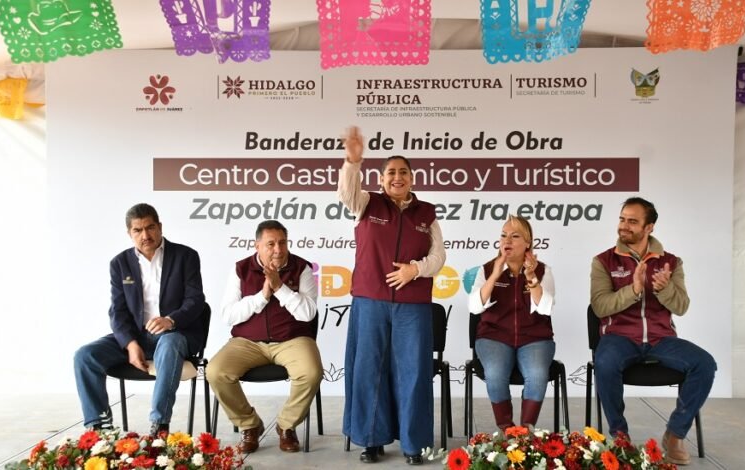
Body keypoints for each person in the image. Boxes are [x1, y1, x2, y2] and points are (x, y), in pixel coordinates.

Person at [339, 126, 446, 466]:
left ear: (411, 178)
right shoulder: (366, 203)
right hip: (370, 302)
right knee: (369, 371)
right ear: (382, 179)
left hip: (413, 307)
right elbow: (346, 193)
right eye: (391, 172)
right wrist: (353, 161)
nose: (397, 177)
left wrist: (415, 269)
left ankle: (414, 444)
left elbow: (438, 256)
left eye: (403, 172)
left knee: (413, 373)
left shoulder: (426, 213)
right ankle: (371, 441)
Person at [590, 197, 716, 466]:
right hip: (619, 338)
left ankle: (675, 434)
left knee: (705, 364)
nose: (624, 226)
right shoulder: (603, 261)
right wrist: (634, 290)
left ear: (649, 227)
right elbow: (600, 307)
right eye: (622, 219)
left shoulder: (671, 262)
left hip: (661, 339)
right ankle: (619, 436)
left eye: (632, 221)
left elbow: (681, 307)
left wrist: (664, 289)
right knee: (604, 362)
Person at [74, 203, 205, 436]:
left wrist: (170, 320)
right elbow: (118, 311)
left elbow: (195, 301)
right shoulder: (119, 263)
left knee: (170, 342)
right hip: (136, 336)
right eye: (138, 230)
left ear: (160, 227)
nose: (145, 235)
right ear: (129, 233)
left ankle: (159, 426)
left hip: (175, 334)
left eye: (150, 227)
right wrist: (130, 344)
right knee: (85, 356)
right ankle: (99, 428)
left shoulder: (186, 256)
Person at [206, 220, 322, 454]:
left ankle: (286, 426)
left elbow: (308, 313)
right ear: (257, 245)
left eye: (282, 243)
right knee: (216, 372)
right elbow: (228, 315)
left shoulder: (302, 268)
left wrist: (280, 288)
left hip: (292, 340)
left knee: (311, 373)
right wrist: (262, 296)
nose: (278, 249)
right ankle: (250, 425)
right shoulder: (241, 269)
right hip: (247, 342)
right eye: (271, 244)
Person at [467, 215, 555, 431]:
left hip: (535, 338)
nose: (507, 240)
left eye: (515, 236)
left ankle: (526, 431)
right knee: (495, 374)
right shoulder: (486, 269)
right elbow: (475, 307)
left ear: (528, 243)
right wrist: (495, 275)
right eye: (503, 235)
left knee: (537, 375)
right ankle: (508, 430)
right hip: (493, 337)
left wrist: (531, 277)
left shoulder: (543, 270)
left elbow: (545, 307)